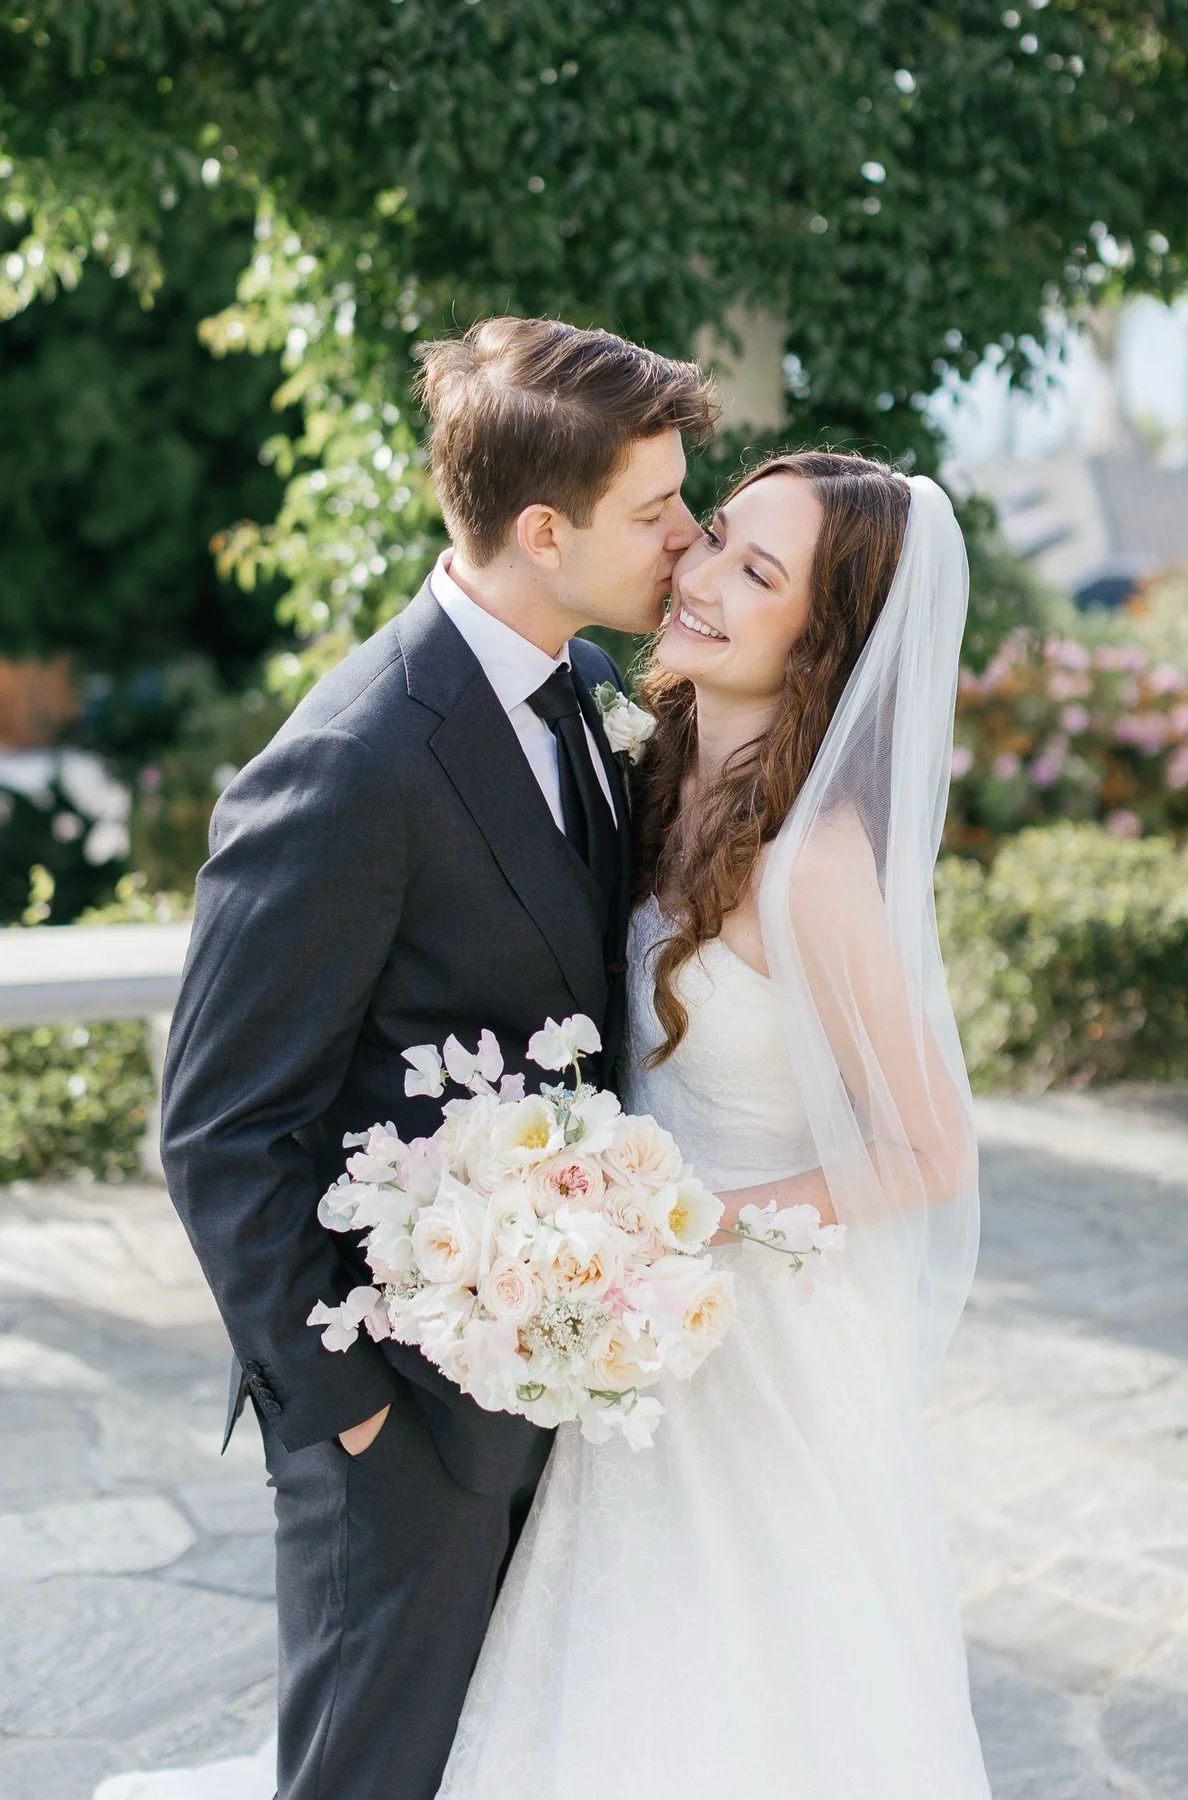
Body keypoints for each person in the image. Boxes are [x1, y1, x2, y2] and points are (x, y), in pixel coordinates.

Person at [155, 317, 719, 1800]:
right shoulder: (353, 763)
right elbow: (220, 1128)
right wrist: (345, 1408)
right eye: (656, 510)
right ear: (546, 529)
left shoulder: (578, 696)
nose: (688, 536)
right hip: (398, 1411)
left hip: (548, 1377)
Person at [438, 452, 993, 1797]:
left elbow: (928, 1153)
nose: (697, 577)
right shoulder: (653, 767)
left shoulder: (816, 871)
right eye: (716, 539)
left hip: (755, 1338)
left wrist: (682, 1232)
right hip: (644, 1310)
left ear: (827, 642)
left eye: (759, 574)